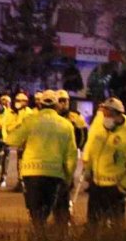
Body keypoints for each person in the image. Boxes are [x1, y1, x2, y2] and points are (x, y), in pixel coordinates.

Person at [5, 90, 78, 226]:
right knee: (53, 210)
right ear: (56, 106)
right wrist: (68, 177)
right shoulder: (66, 125)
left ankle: (38, 239)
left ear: (40, 105)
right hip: (54, 175)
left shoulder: (30, 121)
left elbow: (11, 139)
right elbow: (71, 155)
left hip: (31, 173)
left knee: (37, 215)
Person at [84, 97, 126, 224]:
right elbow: (92, 151)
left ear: (118, 115)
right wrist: (88, 170)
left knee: (115, 228)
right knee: (92, 224)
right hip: (96, 186)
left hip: (114, 189)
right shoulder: (100, 129)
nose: (106, 118)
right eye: (104, 114)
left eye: (109, 115)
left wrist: (123, 187)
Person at [51, 89, 89, 224]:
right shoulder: (51, 117)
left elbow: (84, 134)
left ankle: (64, 215)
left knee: (67, 184)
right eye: (60, 101)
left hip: (68, 156)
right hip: (53, 156)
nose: (63, 104)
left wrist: (80, 148)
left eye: (65, 100)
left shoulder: (75, 117)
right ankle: (58, 214)